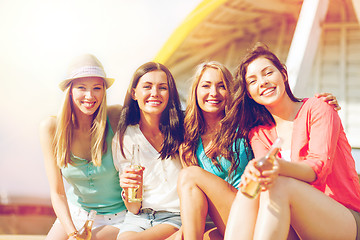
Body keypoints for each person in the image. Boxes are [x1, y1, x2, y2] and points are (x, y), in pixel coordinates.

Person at [217, 43, 360, 240]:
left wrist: (276, 167)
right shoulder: (258, 134)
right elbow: (264, 180)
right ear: (249, 93)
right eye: (253, 81)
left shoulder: (318, 108)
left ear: (283, 74)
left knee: (278, 183)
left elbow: (317, 168)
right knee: (253, 185)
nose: (263, 82)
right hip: (294, 220)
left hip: (343, 217)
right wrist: (257, 171)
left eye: (268, 73)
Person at [40, 54, 126, 240]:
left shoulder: (115, 116)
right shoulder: (51, 128)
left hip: (118, 219)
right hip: (75, 213)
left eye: (97, 88)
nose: (90, 96)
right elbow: (57, 192)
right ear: (70, 91)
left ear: (104, 91)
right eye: (82, 88)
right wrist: (72, 233)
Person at [176, 61, 251, 240]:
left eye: (221, 86)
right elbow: (196, 198)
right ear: (195, 91)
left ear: (230, 91)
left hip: (249, 209)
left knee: (189, 175)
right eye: (206, 86)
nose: (213, 93)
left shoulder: (245, 123)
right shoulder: (188, 140)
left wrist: (313, 102)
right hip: (223, 221)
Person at [112, 62, 184, 240]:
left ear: (170, 93)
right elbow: (134, 208)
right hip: (138, 218)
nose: (155, 93)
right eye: (147, 86)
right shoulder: (125, 138)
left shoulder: (184, 129)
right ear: (134, 93)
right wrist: (127, 189)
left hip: (176, 217)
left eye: (162, 88)